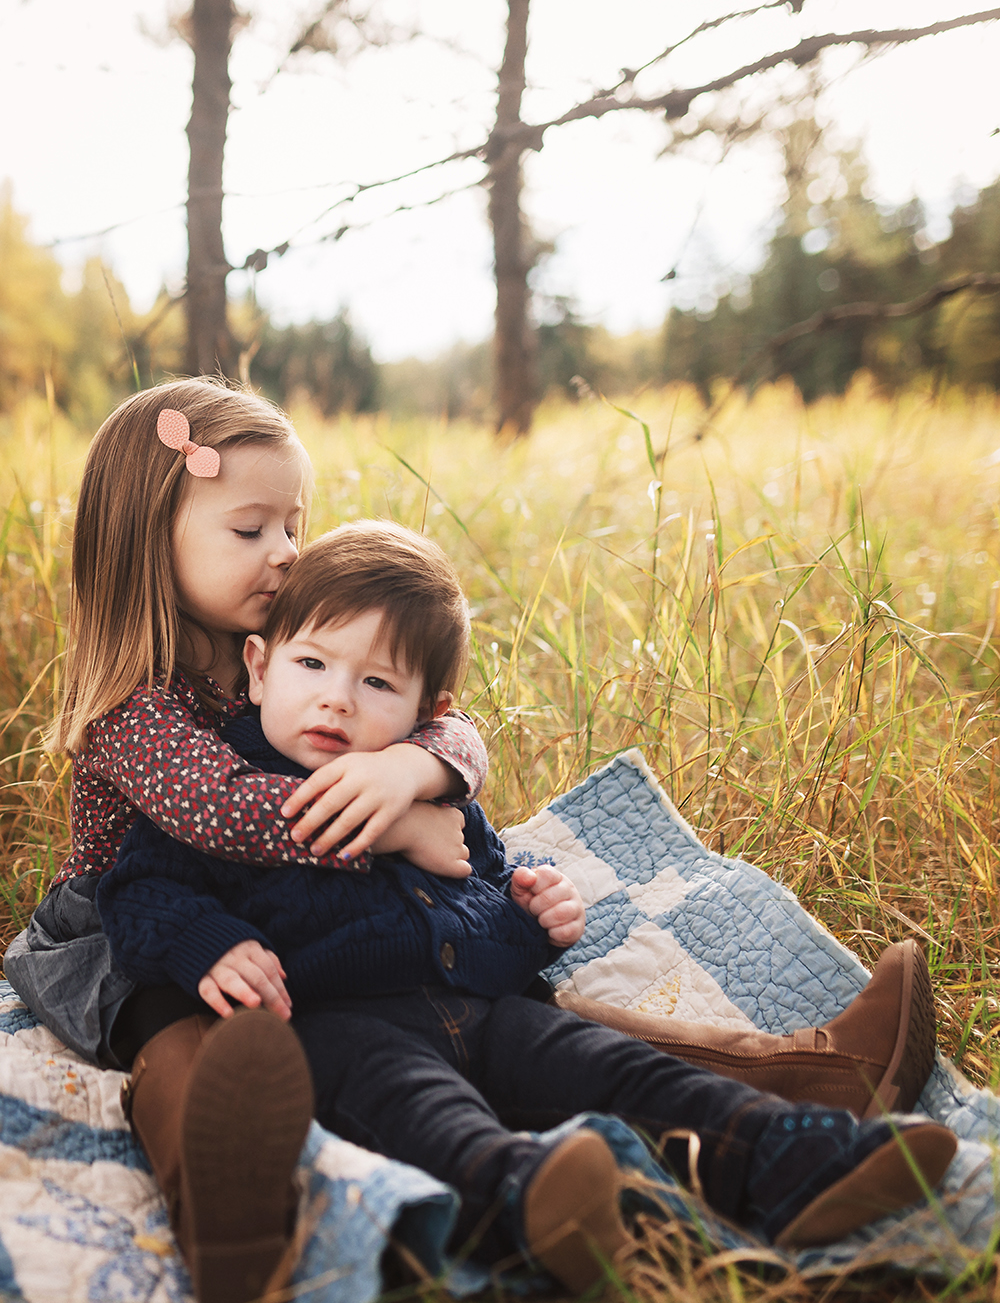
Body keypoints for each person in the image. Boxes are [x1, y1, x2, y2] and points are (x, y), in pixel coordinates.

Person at [97, 521, 958, 1294]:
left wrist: (528, 918)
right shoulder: (224, 779)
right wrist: (211, 944)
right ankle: (529, 1203)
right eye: (313, 665)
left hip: (485, 1011)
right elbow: (138, 889)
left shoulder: (433, 796)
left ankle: (794, 1157)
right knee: (432, 1119)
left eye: (377, 684)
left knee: (622, 1071)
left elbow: (482, 890)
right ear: (260, 667)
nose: (337, 699)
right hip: (342, 1030)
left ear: (427, 715)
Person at [3, 381, 489, 1303]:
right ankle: (221, 1204)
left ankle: (757, 1070)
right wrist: (390, 824)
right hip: (125, 922)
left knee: (449, 973)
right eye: (250, 530)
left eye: (293, 526)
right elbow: (223, 810)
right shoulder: (129, 703)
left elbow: (449, 722)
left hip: (255, 896)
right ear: (153, 539)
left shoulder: (284, 643)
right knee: (178, 1032)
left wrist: (414, 773)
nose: (286, 554)